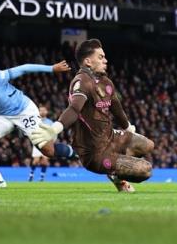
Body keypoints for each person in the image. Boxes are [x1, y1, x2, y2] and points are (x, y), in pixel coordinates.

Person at [30, 39, 154, 193]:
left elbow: (117, 108)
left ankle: (116, 169)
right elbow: (74, 109)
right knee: (145, 170)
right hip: (94, 152)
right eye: (101, 57)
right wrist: (55, 128)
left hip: (110, 137)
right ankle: (115, 174)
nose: (106, 60)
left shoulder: (106, 82)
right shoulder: (81, 82)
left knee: (148, 145)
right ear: (88, 61)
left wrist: (128, 127)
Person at [29, 105, 52, 182]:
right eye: (40, 110)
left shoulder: (50, 122)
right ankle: (31, 175)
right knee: (36, 160)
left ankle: (42, 177)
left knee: (45, 161)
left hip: (47, 142)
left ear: (47, 112)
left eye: (43, 110)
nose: (42, 112)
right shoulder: (34, 121)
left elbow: (53, 133)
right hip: (37, 142)